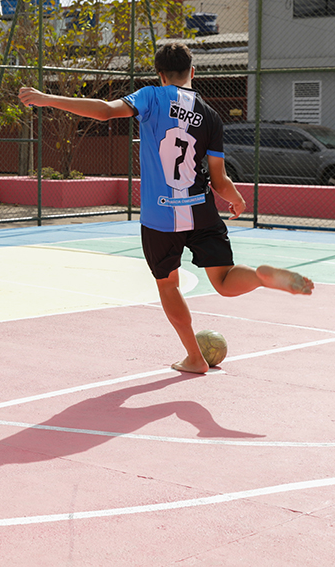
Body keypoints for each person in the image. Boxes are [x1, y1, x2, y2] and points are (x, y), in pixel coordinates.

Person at [18, 41, 313, 374]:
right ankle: (260, 276)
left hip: (160, 217)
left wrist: (47, 99)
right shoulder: (211, 115)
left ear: (159, 74)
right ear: (193, 71)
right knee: (225, 280)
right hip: (201, 209)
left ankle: (195, 358)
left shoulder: (149, 96)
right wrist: (235, 198)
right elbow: (219, 179)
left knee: (168, 285)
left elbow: (103, 110)